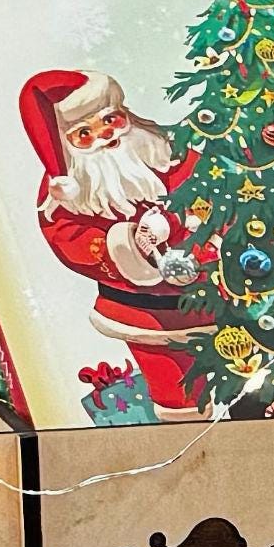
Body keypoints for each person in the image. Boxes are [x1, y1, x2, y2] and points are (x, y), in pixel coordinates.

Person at [22, 68, 216, 419]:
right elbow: (68, 238)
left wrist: (190, 231)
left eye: (110, 119)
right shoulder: (68, 190)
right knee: (176, 391)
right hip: (141, 312)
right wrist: (127, 244)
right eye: (85, 133)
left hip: (214, 295)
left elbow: (212, 193)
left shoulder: (167, 153)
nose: (105, 135)